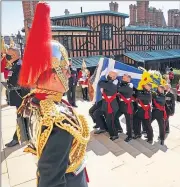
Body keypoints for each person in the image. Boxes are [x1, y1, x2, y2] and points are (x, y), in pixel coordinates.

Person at [16, 3, 90, 186]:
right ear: (52, 73)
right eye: (64, 69)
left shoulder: (30, 100)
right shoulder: (58, 120)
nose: (68, 74)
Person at [4, 46, 30, 147]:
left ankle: (17, 138)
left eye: (8, 54)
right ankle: (24, 136)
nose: (7, 56)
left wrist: (11, 83)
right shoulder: (16, 64)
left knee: (21, 117)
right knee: (22, 117)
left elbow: (21, 81)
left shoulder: (19, 65)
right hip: (18, 95)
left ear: (14, 55)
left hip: (21, 95)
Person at [96, 70, 119, 141]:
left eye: (110, 75)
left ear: (114, 77)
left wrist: (104, 78)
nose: (108, 76)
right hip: (106, 104)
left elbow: (100, 83)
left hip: (111, 106)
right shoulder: (110, 82)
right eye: (108, 74)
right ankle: (104, 128)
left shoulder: (114, 84)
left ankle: (114, 135)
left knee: (110, 121)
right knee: (96, 113)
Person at [115, 74, 134, 142]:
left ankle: (130, 136)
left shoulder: (130, 85)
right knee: (115, 117)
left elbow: (119, 89)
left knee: (128, 122)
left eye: (125, 78)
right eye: (123, 77)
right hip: (122, 106)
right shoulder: (122, 84)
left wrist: (117, 82)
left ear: (129, 79)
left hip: (127, 106)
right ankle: (119, 128)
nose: (123, 78)